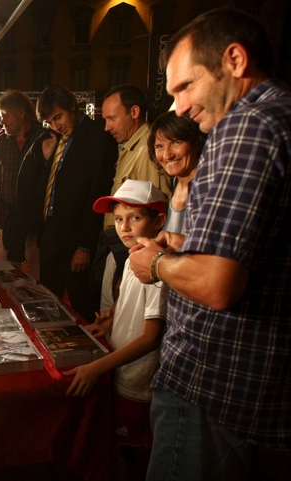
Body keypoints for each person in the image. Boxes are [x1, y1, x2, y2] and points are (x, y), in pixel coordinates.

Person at [127, 8, 291, 479]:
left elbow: (218, 284)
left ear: (234, 60)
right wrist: (186, 242)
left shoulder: (244, 125)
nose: (177, 107)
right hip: (259, 393)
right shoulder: (281, 113)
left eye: (185, 87)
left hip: (212, 389)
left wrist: (158, 264)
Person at [65, 180, 168, 481]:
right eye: (119, 218)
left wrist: (96, 368)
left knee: (135, 457)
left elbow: (151, 336)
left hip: (138, 381)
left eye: (135, 218)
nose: (124, 227)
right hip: (121, 369)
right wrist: (108, 322)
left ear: (158, 220)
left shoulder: (157, 270)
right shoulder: (131, 259)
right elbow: (127, 303)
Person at [8, 85, 118, 323]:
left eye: (58, 117)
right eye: (49, 121)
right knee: (49, 306)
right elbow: (34, 179)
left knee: (84, 308)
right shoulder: (54, 139)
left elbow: (97, 193)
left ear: (72, 107)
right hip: (51, 238)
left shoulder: (98, 135)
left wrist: (85, 246)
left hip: (77, 242)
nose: (56, 125)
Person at [97, 85, 173, 312]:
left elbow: (157, 211)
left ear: (135, 112)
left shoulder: (148, 149)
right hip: (123, 250)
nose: (107, 126)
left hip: (134, 253)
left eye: (111, 118)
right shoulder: (130, 147)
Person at [0, 90, 45, 276]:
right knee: (0, 270)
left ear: (21, 114)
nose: (1, 121)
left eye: (5, 115)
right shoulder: (0, 142)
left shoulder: (44, 139)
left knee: (37, 271)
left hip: (35, 221)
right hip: (5, 219)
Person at [147, 111, 207, 234]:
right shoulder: (175, 183)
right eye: (159, 146)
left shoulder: (208, 187)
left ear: (196, 142)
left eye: (176, 143)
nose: (167, 155)